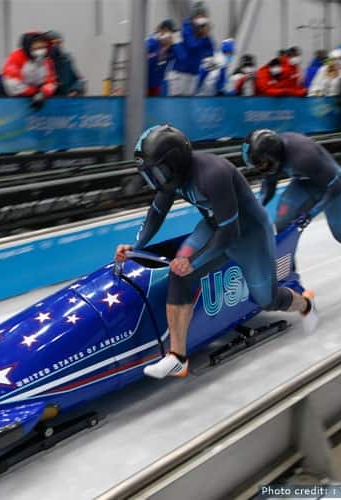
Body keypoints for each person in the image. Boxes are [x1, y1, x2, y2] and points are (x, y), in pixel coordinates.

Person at [115, 125, 318, 378]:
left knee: (266, 300)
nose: (156, 180)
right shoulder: (171, 180)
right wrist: (136, 247)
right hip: (215, 227)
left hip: (249, 236)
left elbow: (230, 232)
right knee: (179, 274)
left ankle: (305, 303)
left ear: (174, 162)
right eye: (150, 175)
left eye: (157, 172)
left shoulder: (213, 173)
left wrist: (193, 261)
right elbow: (156, 214)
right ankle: (177, 357)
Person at [242, 129, 341, 243]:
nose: (259, 169)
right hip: (305, 182)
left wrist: (310, 214)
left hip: (333, 185)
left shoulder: (303, 157)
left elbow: (337, 185)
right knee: (282, 222)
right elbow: (267, 190)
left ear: (273, 156)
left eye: (261, 164)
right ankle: (286, 263)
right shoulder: (272, 157)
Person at [1, 31, 57, 109]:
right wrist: (33, 92)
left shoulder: (47, 61)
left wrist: (43, 93)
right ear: (28, 47)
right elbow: (12, 83)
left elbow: (51, 81)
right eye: (36, 48)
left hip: (38, 97)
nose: (41, 50)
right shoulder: (16, 58)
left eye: (43, 47)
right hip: (11, 99)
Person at [178, 14, 215, 96]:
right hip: (183, 71)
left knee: (190, 98)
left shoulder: (202, 33)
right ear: (194, 18)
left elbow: (210, 50)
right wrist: (203, 36)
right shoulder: (187, 28)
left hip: (195, 70)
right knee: (180, 98)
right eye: (200, 17)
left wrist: (206, 35)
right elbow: (192, 46)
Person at [45, 31, 85, 96]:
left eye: (58, 43)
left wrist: (75, 90)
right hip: (47, 99)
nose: (56, 46)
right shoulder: (41, 62)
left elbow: (79, 80)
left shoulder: (66, 60)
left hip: (66, 98)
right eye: (52, 43)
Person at [146, 19, 177, 96]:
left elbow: (175, 57)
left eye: (171, 33)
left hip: (156, 85)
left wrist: (169, 47)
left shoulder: (171, 48)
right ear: (162, 31)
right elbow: (146, 62)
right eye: (168, 32)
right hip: (143, 84)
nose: (170, 36)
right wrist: (162, 51)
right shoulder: (151, 43)